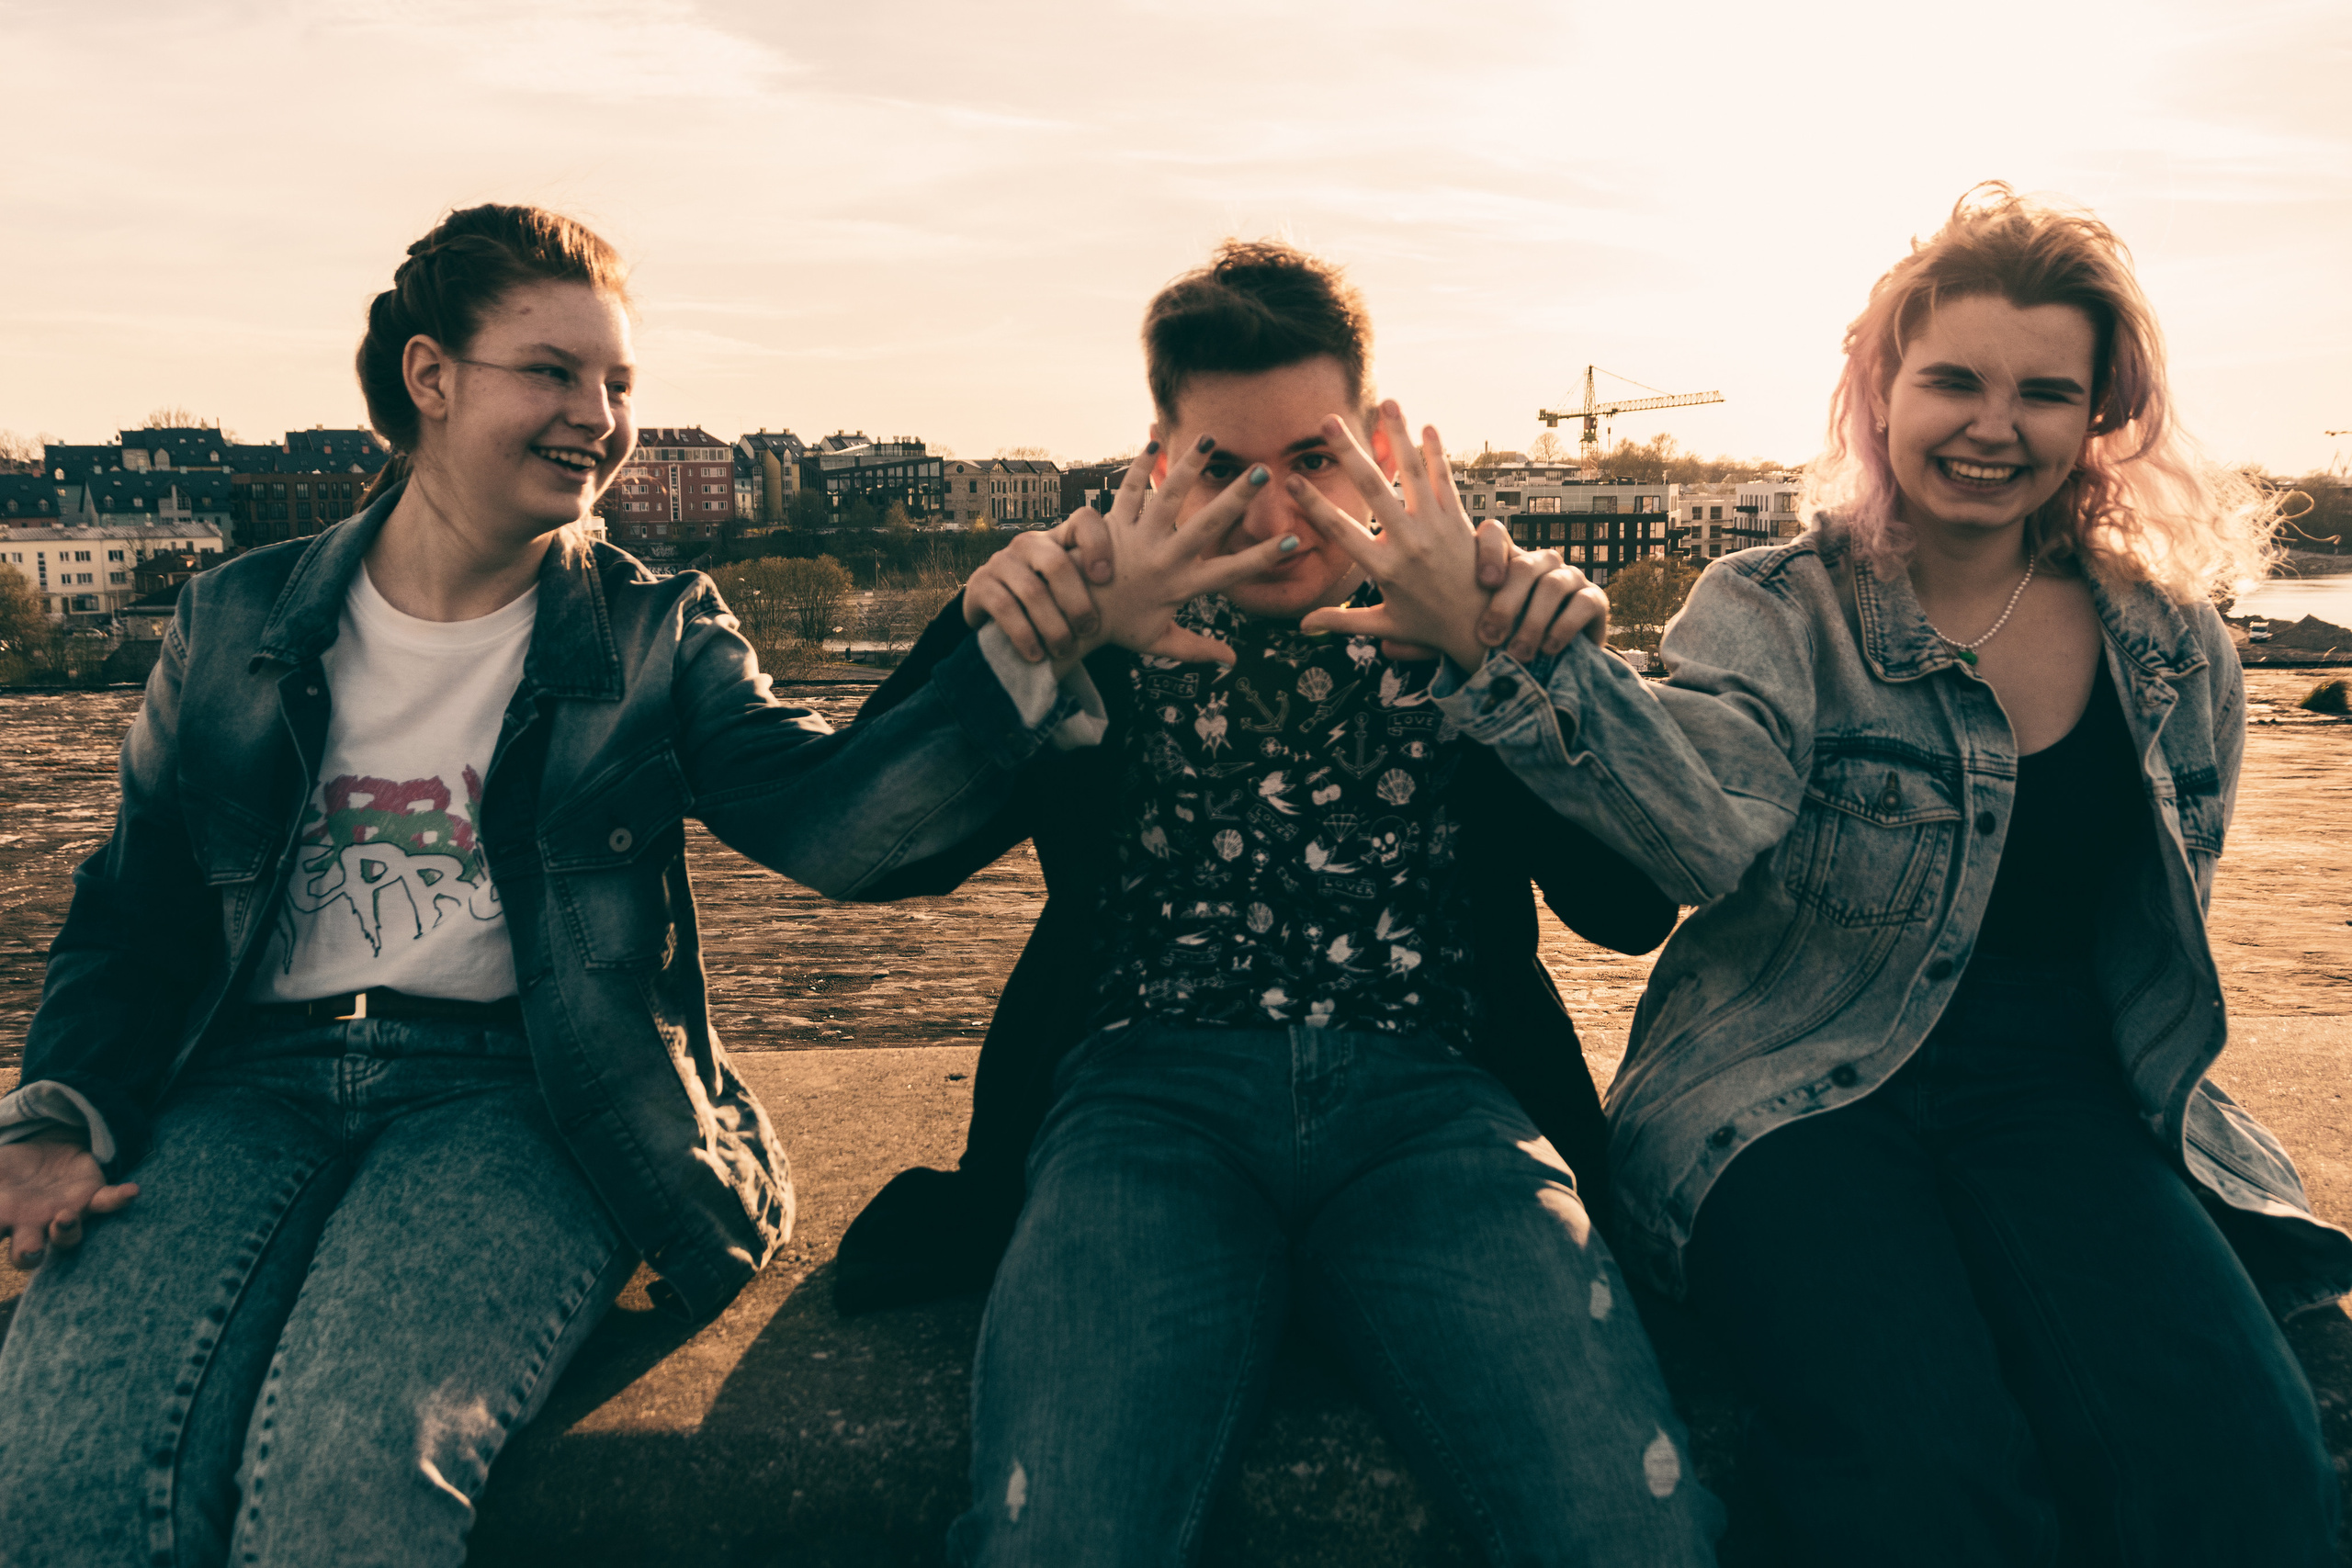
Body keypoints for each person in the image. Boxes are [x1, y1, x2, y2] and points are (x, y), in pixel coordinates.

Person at [0, 202, 1260, 1568]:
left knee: (340, 1484)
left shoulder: (658, 632)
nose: (599, 416)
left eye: (619, 385)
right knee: (62, 1476)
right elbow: (134, 907)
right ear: (430, 378)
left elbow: (842, 832)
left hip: (522, 1093)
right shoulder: (235, 618)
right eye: (552, 372)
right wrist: (58, 1107)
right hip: (239, 1088)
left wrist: (1038, 655)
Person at [1411, 184, 2352, 1564]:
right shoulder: (1774, 605)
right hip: (1790, 1095)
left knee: (2241, 1467)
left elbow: (2161, 930)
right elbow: (1695, 830)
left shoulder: (2172, 644)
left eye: (2043, 391)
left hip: (2068, 1099)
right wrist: (1513, 654)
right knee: (1925, 1475)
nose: (1992, 424)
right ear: (1878, 390)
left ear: (2100, 415)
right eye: (1953, 380)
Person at [836, 242, 1723, 1565]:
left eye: (1310, 461)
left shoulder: (1466, 600)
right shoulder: (1098, 609)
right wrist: (1006, 640)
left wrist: (1519, 667)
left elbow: (1631, 904)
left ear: (1375, 440)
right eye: (1220, 470)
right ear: (1156, 459)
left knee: (1630, 1526)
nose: (1271, 514)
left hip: (1442, 1111)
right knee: (1058, 1540)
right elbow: (877, 850)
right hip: (1142, 1105)